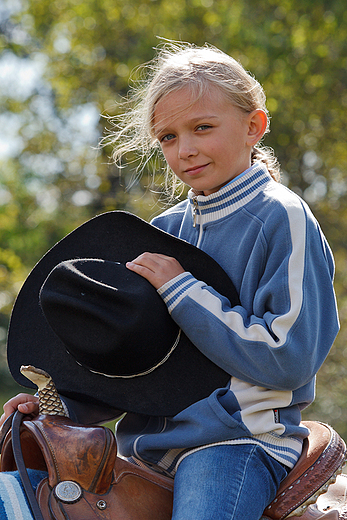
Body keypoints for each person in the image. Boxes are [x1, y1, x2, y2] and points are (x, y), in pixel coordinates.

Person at [0, 42, 339, 520]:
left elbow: (291, 354)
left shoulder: (280, 216)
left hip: (234, 442)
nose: (186, 149)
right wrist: (57, 405)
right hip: (141, 447)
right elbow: (133, 365)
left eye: (202, 128)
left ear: (253, 126)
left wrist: (184, 292)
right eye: (168, 137)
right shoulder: (161, 230)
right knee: (13, 496)